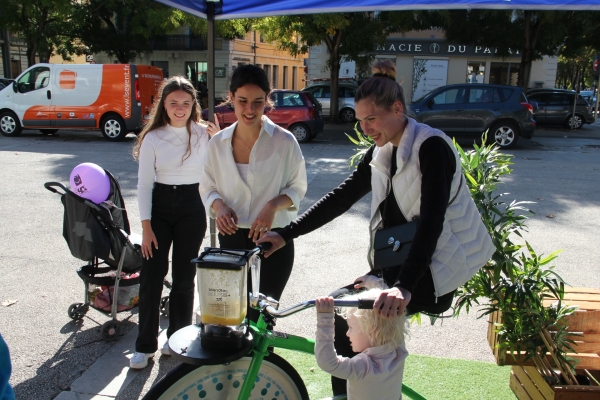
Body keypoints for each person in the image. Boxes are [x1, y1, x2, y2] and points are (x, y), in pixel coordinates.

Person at [258, 60, 494, 395]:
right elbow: (343, 196)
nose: (366, 128)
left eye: (372, 119)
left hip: (433, 269)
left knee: (352, 322)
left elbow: (432, 221)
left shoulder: (432, 147)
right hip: (403, 260)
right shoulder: (383, 148)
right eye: (360, 120)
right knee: (343, 310)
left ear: (397, 109)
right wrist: (286, 232)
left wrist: (404, 287)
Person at [200, 64, 307, 323]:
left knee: (263, 320)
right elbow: (207, 186)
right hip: (231, 241)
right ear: (231, 98)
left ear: (267, 100)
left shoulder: (284, 141)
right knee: (233, 317)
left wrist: (272, 206)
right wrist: (219, 207)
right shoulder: (217, 143)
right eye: (243, 101)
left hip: (273, 242)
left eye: (258, 102)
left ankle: (263, 364)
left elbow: (298, 187)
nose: (250, 110)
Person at [130, 75, 220, 369]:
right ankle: (144, 346)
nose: (179, 108)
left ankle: (176, 339)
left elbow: (218, 170)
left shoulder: (203, 133)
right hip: (159, 207)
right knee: (152, 276)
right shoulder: (152, 138)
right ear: (164, 105)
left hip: (193, 206)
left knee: (184, 278)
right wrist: (145, 227)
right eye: (173, 103)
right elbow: (144, 185)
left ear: (194, 104)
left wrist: (218, 139)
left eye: (185, 102)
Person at [315, 283, 408, 400]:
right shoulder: (399, 352)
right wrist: (373, 283)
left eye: (351, 328)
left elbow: (328, 363)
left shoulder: (364, 366)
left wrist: (325, 319)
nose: (347, 333)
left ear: (372, 331)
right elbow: (387, 306)